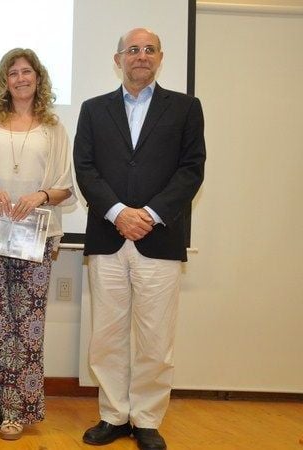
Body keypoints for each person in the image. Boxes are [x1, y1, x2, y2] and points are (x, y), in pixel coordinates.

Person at [73, 28, 205, 450]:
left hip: (159, 239)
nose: (141, 56)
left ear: (160, 58)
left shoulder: (185, 108)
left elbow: (191, 170)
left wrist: (147, 215)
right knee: (107, 336)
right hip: (108, 237)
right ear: (118, 60)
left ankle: (146, 419)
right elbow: (86, 168)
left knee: (154, 338)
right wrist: (117, 213)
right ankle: (113, 415)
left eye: (149, 50)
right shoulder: (94, 110)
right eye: (133, 50)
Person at [0, 48, 75, 441]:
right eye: (13, 73)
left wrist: (40, 196)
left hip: (35, 237)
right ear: (3, 81)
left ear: (38, 78)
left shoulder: (53, 127)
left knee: (26, 325)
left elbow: (65, 187)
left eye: (27, 72)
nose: (21, 78)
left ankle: (17, 410)